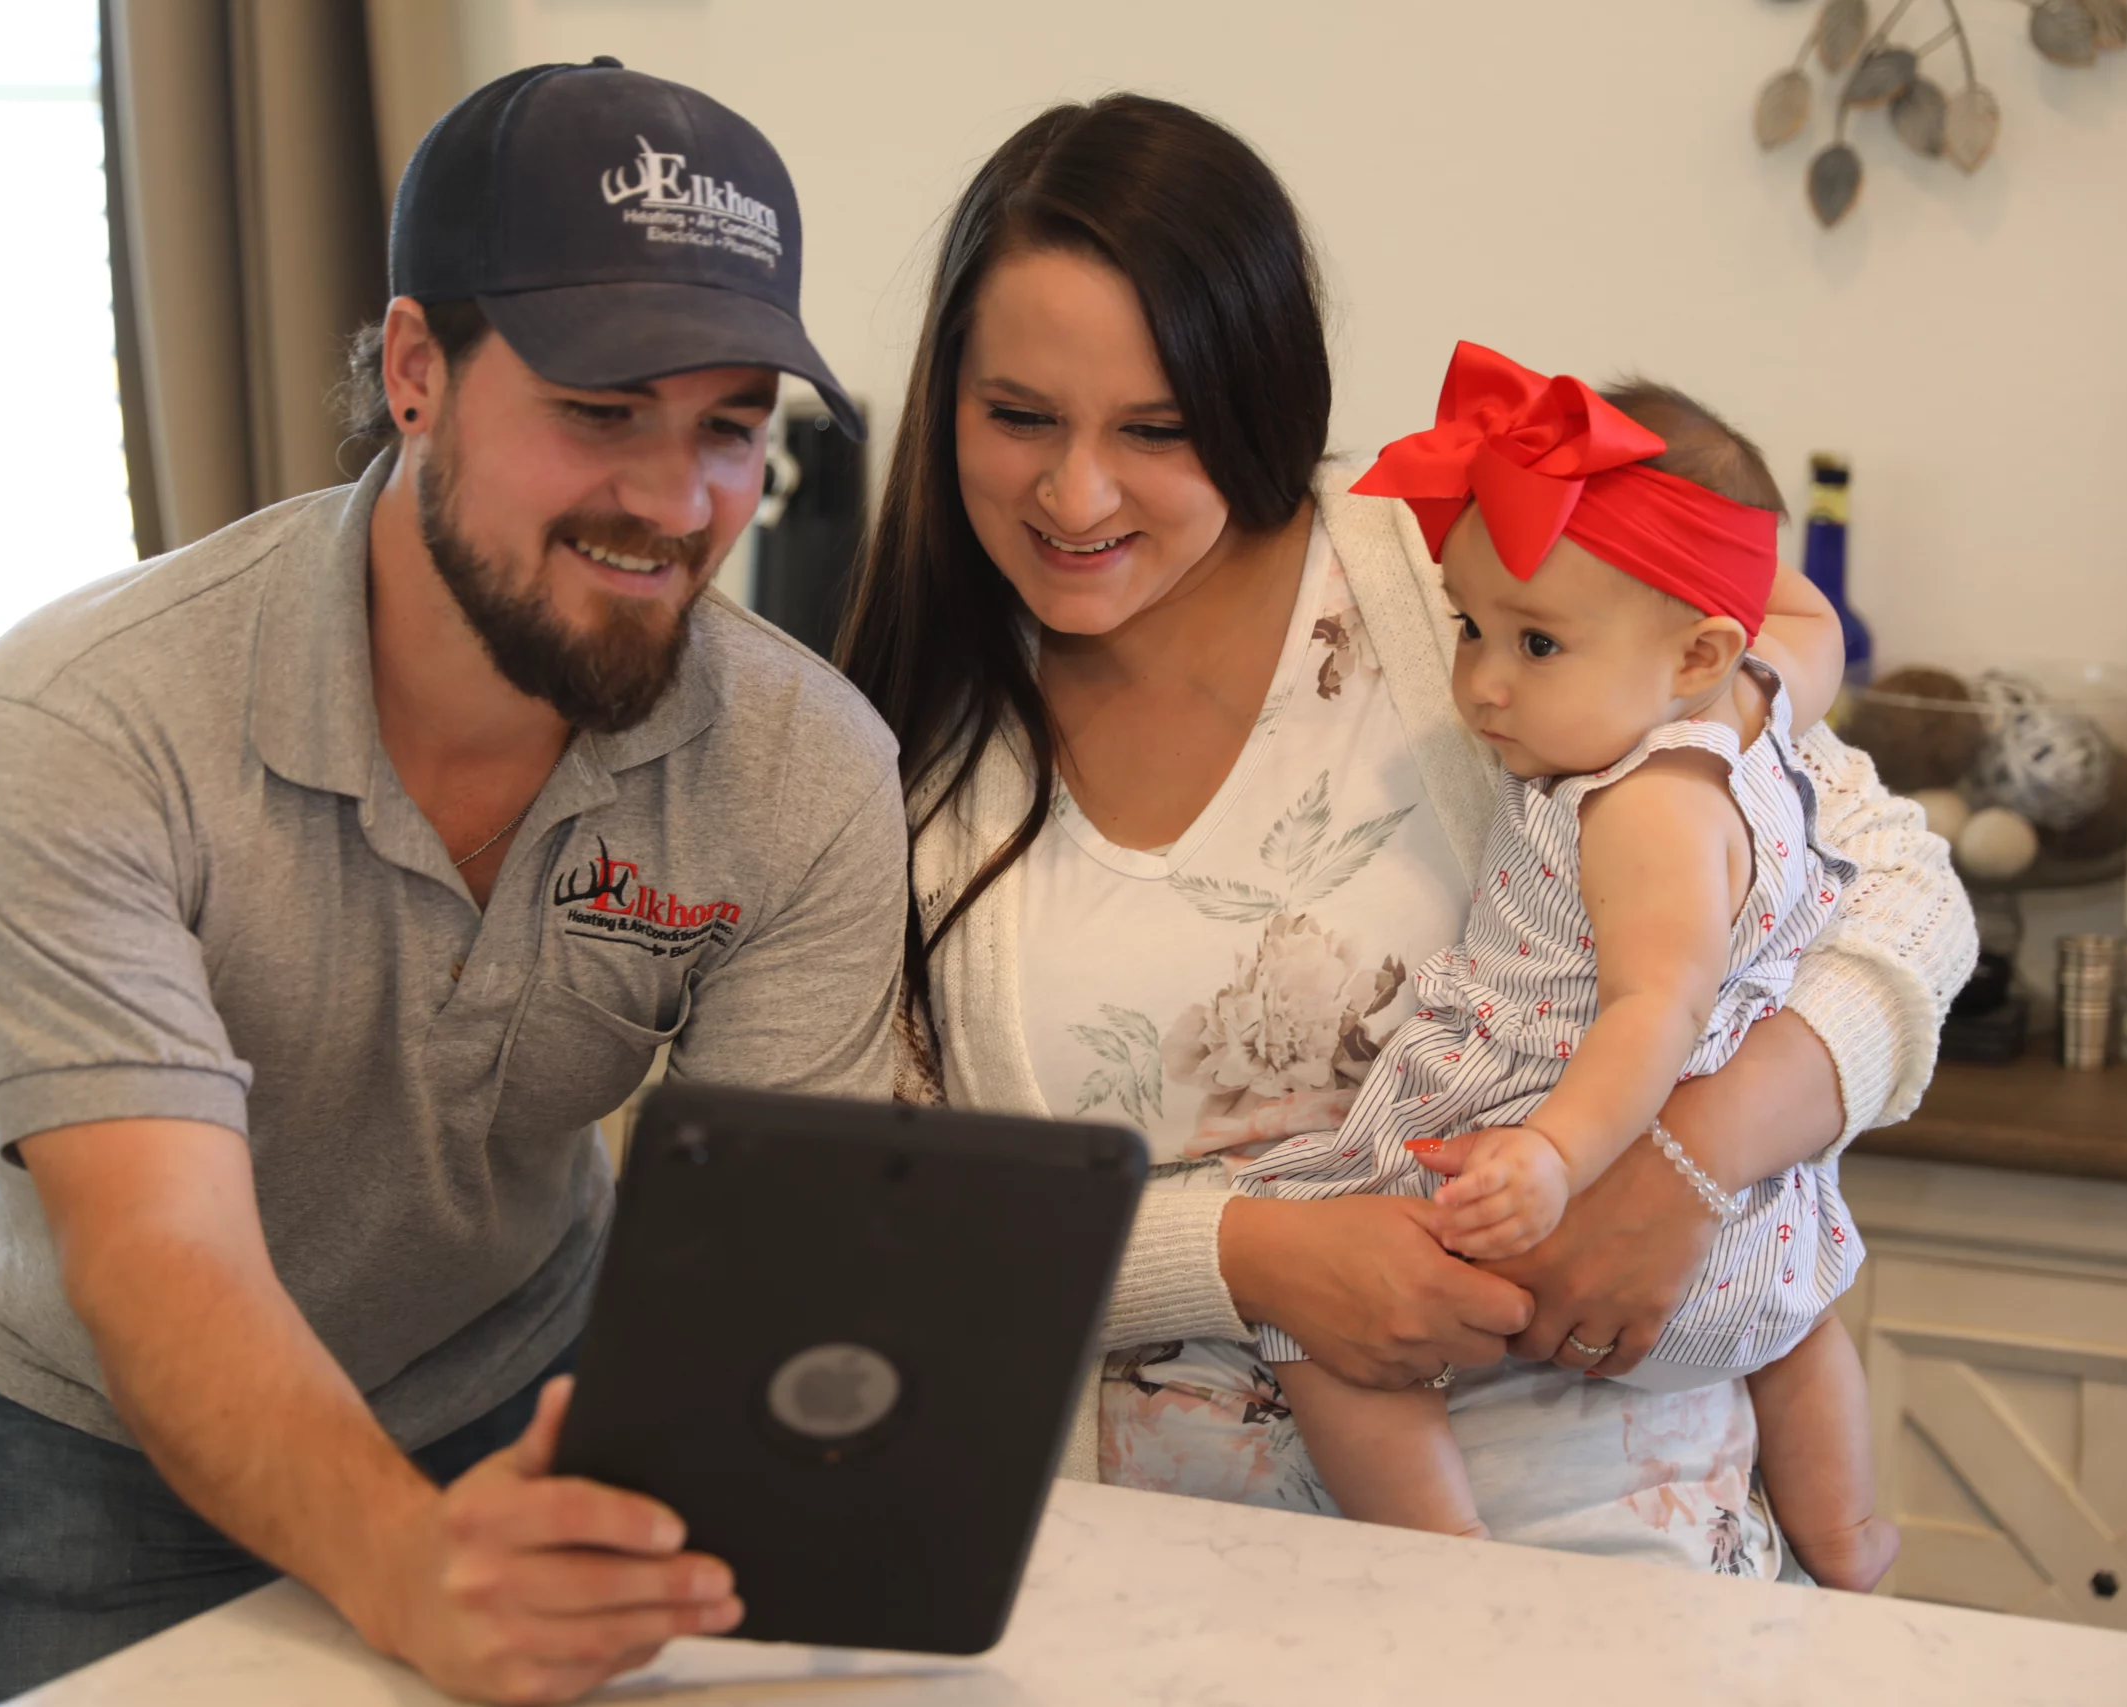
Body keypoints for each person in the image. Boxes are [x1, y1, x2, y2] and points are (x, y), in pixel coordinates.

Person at [838, 94, 1974, 1577]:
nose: (1077, 494)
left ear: (1254, 399)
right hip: (1145, 1592)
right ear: (947, 399)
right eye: (1019, 417)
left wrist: (1681, 1163)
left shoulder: (1469, 588)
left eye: (1156, 430)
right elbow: (877, 1215)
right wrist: (1250, 1256)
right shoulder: (898, 735)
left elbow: (1905, 895)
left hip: (1614, 1563)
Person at [0, 61, 902, 1707]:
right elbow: (167, 1257)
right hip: (103, 1479)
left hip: (527, 1407)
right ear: (412, 372)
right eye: (602, 410)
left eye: (729, 427)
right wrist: (404, 1563)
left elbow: (757, 1263)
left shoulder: (808, 769)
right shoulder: (77, 726)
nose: (677, 503)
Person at [1240, 342, 1896, 1593]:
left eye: (1538, 645)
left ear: (1694, 652)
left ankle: (1444, 1556)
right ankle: (1847, 1535)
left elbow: (1659, 1003)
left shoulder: (1638, 801)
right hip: (1753, 1239)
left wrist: (1547, 1156)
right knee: (1799, 1328)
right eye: (1470, 625)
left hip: (1571, 1148)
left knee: (1314, 1323)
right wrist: (1690, 548)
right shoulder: (1753, 699)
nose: (1481, 681)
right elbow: (1790, 609)